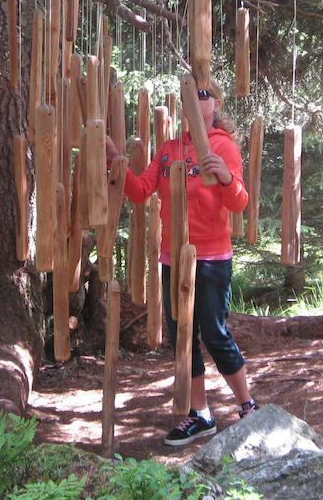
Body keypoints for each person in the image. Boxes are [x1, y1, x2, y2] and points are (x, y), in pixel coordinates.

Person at [106, 78, 258, 447]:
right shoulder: (169, 148)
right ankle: (200, 414)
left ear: (215, 105)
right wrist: (115, 160)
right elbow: (141, 191)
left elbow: (239, 203)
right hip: (173, 257)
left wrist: (224, 175)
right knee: (181, 338)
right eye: (191, 93)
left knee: (215, 333)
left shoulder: (224, 145)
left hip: (211, 258)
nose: (196, 98)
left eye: (204, 94)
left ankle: (248, 406)